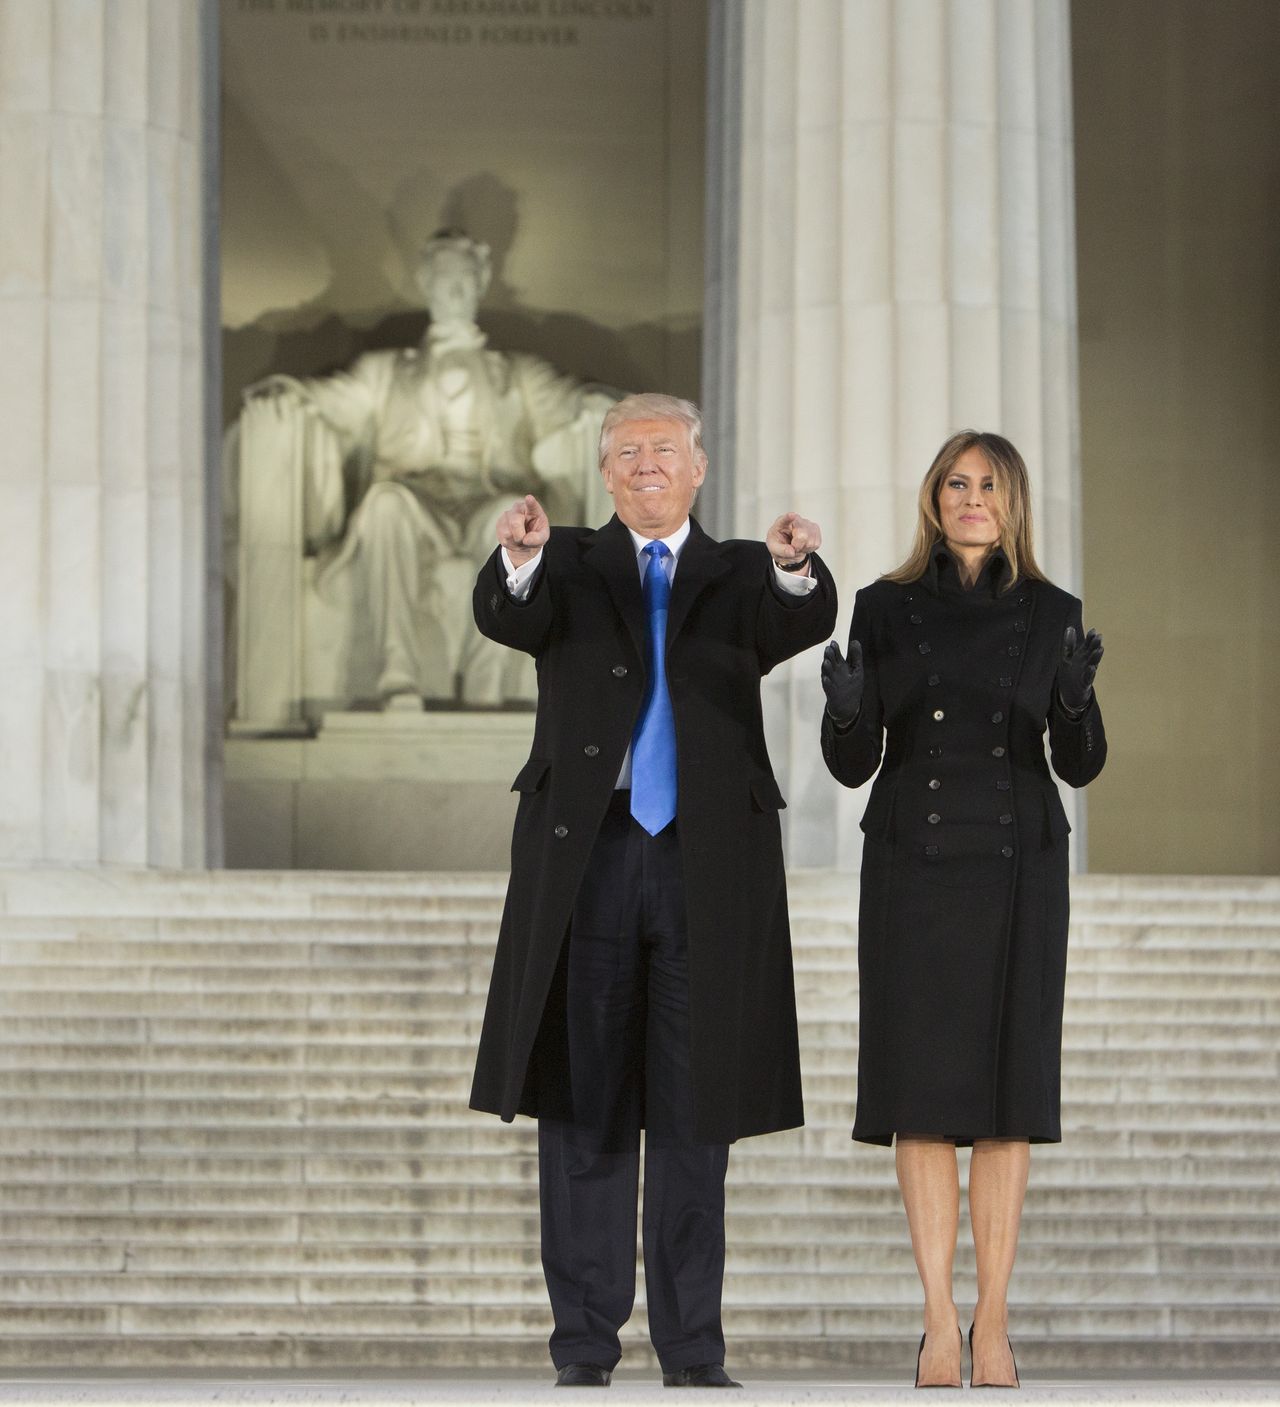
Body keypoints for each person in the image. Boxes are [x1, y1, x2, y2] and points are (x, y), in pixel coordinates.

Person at [469, 393, 837, 1388]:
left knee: (691, 1113)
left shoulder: (738, 573)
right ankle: (584, 1347)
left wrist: (797, 565)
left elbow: (798, 618)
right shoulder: (571, 567)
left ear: (697, 466)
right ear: (603, 472)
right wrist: (520, 554)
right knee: (583, 1111)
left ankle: (690, 1350)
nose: (643, 464)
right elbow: (511, 614)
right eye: (625, 451)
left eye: (661, 450)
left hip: (703, 867)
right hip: (588, 858)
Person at [819, 431, 1106, 1389]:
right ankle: (939, 1321)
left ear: (1012, 500)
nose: (971, 497)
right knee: (924, 1101)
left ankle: (995, 1321)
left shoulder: (1054, 610)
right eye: (955, 482)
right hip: (914, 868)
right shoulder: (883, 607)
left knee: (1006, 1102)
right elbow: (854, 763)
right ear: (933, 499)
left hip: (1021, 865)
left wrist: (1075, 699)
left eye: (987, 484)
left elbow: (1079, 762)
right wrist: (850, 708)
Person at [229, 229, 615, 717]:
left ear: (480, 283)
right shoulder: (386, 370)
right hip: (414, 501)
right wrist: (285, 392)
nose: (453, 291)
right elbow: (328, 398)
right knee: (384, 504)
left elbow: (574, 402)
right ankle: (398, 675)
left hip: (486, 498)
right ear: (425, 283)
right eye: (443, 279)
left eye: (463, 280)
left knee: (513, 515)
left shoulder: (517, 373)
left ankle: (486, 680)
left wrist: (604, 405)